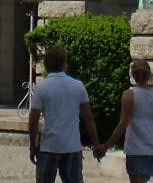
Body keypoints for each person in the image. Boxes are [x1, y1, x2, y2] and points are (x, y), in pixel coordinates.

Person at [28, 44, 102, 183]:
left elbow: (33, 122)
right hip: (72, 146)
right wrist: (96, 143)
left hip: (49, 146)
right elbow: (88, 118)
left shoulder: (41, 88)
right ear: (64, 64)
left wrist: (33, 146)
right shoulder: (78, 86)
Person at [93, 59, 153, 182]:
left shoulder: (129, 95)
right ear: (149, 74)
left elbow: (123, 123)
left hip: (135, 149)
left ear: (133, 75)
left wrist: (106, 146)